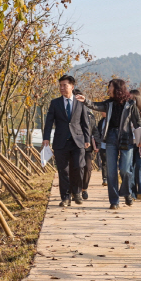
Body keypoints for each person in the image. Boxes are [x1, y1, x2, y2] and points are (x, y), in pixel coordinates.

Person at [76, 79, 141, 209]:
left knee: (125, 170)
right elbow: (95, 105)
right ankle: (114, 201)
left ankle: (127, 192)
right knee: (111, 172)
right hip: (111, 137)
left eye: (110, 87)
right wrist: (85, 100)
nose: (108, 89)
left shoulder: (130, 104)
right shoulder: (109, 103)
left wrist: (140, 140)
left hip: (126, 138)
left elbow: (137, 122)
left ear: (117, 88)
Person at [43, 75, 90, 207]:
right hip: (60, 141)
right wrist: (46, 138)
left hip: (78, 141)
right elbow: (49, 122)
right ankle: (65, 197)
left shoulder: (80, 102)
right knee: (63, 170)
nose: (62, 88)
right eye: (60, 85)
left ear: (72, 86)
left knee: (79, 167)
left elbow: (85, 122)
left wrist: (87, 138)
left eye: (65, 85)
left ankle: (77, 193)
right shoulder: (55, 103)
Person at [69, 89, 100, 200]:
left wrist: (97, 144)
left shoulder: (89, 114)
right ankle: (74, 190)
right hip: (74, 144)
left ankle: (84, 189)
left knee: (87, 168)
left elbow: (94, 129)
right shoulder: (70, 114)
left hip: (87, 146)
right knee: (75, 167)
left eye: (81, 97)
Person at [96, 110, 108, 186]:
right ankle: (105, 178)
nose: (102, 112)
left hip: (111, 144)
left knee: (111, 162)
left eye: (103, 111)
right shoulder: (100, 122)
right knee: (104, 162)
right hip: (102, 145)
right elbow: (97, 132)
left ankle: (111, 178)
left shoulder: (112, 121)